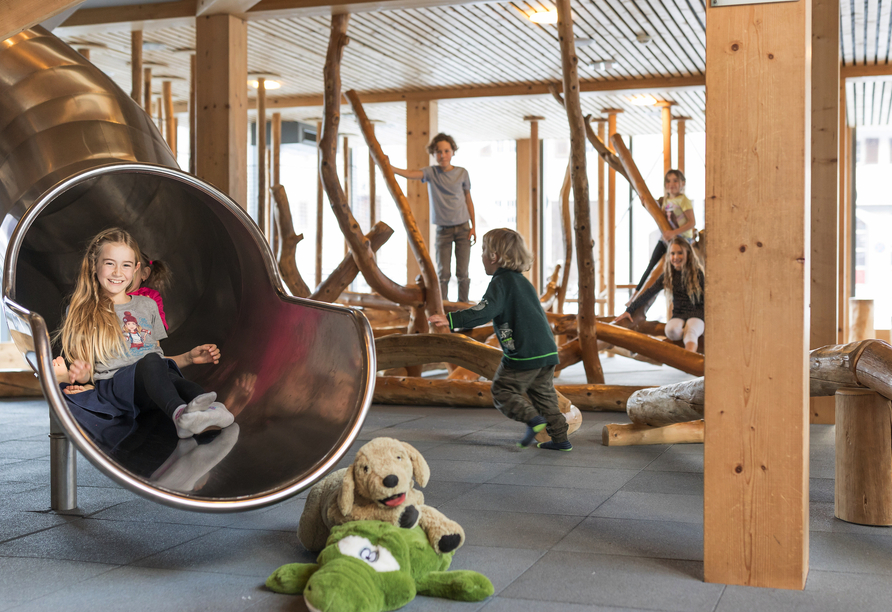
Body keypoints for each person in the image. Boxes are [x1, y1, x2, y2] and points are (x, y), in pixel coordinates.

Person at [55, 227, 233, 439]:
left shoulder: (147, 305)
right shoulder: (83, 310)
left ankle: (211, 410)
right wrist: (80, 374)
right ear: (95, 265)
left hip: (149, 386)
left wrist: (188, 357)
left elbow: (155, 360)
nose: (117, 272)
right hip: (115, 387)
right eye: (110, 263)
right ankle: (180, 416)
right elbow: (86, 369)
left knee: (177, 380)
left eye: (126, 265)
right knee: (154, 366)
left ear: (136, 269)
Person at [428, 228, 571, 451]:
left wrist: (451, 319)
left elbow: (483, 311)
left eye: (483, 251)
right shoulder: (522, 282)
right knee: (544, 397)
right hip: (546, 350)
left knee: (502, 392)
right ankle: (561, 439)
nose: (482, 256)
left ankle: (533, 420)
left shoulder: (501, 283)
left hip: (524, 353)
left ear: (494, 257)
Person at [390, 133, 477, 303]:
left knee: (462, 273)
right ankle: (442, 307)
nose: (442, 155)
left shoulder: (462, 173)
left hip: (463, 228)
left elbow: (468, 199)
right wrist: (389, 166)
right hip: (443, 230)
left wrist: (474, 226)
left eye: (446, 151)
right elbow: (409, 173)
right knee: (443, 273)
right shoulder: (431, 173)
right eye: (438, 152)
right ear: (433, 154)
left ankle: (463, 307)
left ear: (452, 152)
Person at [615, 237, 704, 352]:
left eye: (680, 253)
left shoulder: (697, 274)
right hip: (679, 315)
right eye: (672, 253)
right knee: (671, 330)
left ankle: (690, 359)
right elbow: (649, 293)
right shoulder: (668, 275)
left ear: (688, 253)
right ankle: (686, 334)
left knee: (691, 330)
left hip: (697, 315)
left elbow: (707, 299)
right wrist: (629, 310)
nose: (676, 257)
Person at [630, 169, 697, 299]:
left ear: (682, 183)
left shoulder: (684, 201)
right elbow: (660, 215)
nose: (671, 184)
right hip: (667, 239)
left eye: (675, 180)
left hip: (682, 239)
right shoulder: (666, 200)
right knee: (651, 264)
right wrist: (645, 204)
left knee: (677, 267)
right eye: (668, 181)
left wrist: (674, 233)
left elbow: (692, 222)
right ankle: (636, 294)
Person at [128, 254, 170, 330]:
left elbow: (161, 331)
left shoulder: (152, 296)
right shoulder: (105, 295)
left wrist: (149, 315)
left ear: (144, 274)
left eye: (128, 267)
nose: (119, 273)